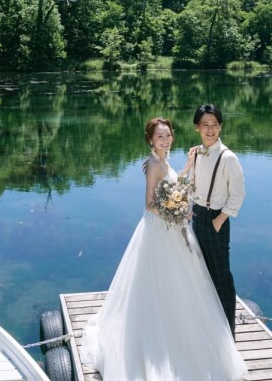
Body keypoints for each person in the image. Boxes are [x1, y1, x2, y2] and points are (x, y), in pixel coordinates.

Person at [82, 117, 247, 381]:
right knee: (158, 282)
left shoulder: (163, 160)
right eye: (160, 136)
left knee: (180, 281)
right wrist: (175, 213)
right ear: (150, 140)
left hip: (172, 228)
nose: (165, 139)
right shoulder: (153, 165)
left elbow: (171, 186)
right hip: (158, 230)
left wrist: (187, 169)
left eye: (168, 135)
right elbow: (149, 203)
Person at [188, 103, 245, 337]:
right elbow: (192, 184)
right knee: (200, 273)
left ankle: (227, 334)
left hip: (215, 219)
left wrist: (220, 220)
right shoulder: (196, 153)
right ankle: (208, 327)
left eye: (214, 125)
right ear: (197, 128)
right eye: (205, 125)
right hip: (197, 217)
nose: (210, 130)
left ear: (220, 127)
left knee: (221, 277)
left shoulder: (228, 157)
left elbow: (238, 193)